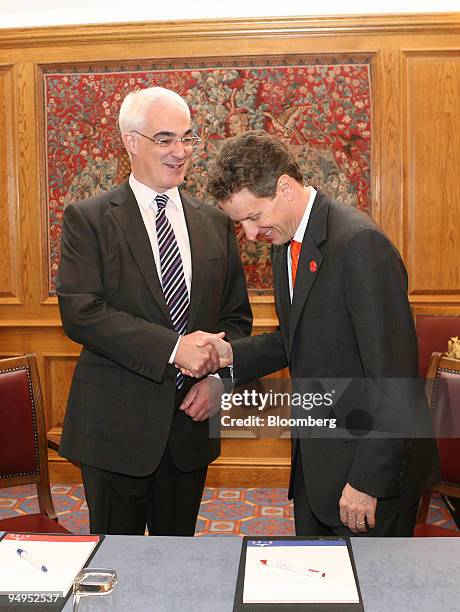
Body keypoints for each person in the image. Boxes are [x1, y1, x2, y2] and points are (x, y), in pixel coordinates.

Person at [202, 130, 439, 537]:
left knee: (371, 595)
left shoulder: (360, 245)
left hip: (366, 477)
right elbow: (296, 338)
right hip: (318, 466)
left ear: (285, 187)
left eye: (254, 217)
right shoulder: (287, 243)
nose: (251, 235)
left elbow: (393, 376)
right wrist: (230, 357)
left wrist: (367, 481)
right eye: (240, 222)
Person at [56, 87, 252, 536]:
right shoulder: (89, 218)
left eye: (187, 137)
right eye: (165, 139)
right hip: (115, 429)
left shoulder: (216, 223)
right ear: (131, 141)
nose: (180, 152)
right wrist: (173, 349)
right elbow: (81, 313)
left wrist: (220, 382)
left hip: (191, 426)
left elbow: (237, 320)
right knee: (115, 565)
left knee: (178, 561)